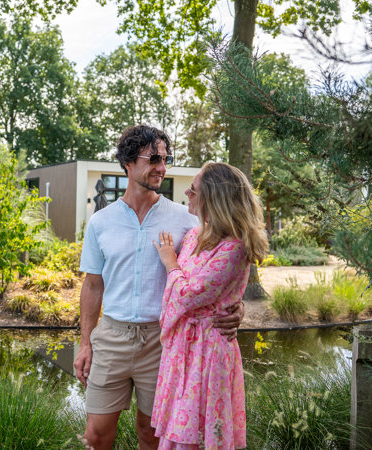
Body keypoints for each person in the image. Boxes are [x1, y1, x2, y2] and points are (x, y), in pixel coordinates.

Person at [75, 125, 245, 450]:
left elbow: (215, 271)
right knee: (96, 435)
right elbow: (93, 286)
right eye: (153, 159)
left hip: (165, 341)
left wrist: (235, 306)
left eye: (165, 159)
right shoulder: (100, 222)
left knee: (151, 434)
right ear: (128, 163)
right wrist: (85, 343)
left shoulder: (187, 220)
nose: (162, 168)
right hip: (111, 337)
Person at [152, 162, 269, 449]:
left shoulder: (234, 247)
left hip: (208, 350)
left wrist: (170, 262)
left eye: (193, 190)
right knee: (177, 431)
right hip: (183, 348)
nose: (187, 194)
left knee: (202, 435)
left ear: (213, 198)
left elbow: (189, 295)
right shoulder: (194, 235)